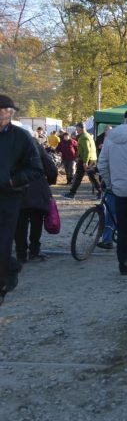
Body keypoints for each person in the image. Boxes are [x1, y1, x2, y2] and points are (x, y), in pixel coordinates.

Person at [0, 95, 43, 306]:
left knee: (3, 242)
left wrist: (11, 179)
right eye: (4, 111)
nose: (7, 115)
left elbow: (36, 169)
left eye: (9, 112)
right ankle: (12, 265)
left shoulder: (21, 137)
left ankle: (2, 285)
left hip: (9, 197)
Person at [97, 109, 127, 275]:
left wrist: (111, 184)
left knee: (123, 228)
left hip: (118, 190)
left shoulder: (110, 137)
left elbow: (102, 164)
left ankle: (123, 267)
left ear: (125, 120)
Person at [15, 135, 58, 262]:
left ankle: (21, 254)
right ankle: (34, 250)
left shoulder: (10, 145)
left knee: (20, 224)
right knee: (36, 221)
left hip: (17, 189)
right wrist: (49, 181)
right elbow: (50, 167)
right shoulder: (36, 145)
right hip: (37, 188)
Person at [63, 122, 100, 199]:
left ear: (80, 128)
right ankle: (100, 192)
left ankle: (72, 193)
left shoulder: (83, 137)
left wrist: (85, 162)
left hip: (85, 159)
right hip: (92, 159)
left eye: (77, 128)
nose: (76, 129)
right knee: (91, 177)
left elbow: (87, 150)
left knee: (78, 177)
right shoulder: (88, 135)